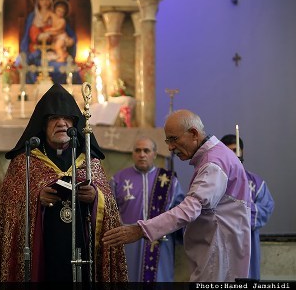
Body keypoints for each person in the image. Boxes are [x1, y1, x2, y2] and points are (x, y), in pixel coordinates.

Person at [0, 83, 128, 282]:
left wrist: (96, 197)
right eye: (54, 118)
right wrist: (35, 198)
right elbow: (7, 210)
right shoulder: (25, 162)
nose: (62, 123)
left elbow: (111, 209)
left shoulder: (89, 162)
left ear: (75, 124)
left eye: (67, 118)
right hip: (42, 251)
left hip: (83, 249)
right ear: (43, 125)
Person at [102, 109, 251, 282]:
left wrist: (141, 229)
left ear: (194, 133)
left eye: (174, 139)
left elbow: (189, 209)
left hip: (218, 254)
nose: (170, 147)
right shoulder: (214, 157)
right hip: (215, 250)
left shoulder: (213, 163)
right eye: (168, 140)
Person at [110, 136, 185, 282]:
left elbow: (181, 212)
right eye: (138, 150)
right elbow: (109, 210)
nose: (142, 154)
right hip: (129, 243)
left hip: (161, 244)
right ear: (132, 153)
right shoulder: (118, 179)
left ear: (155, 154)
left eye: (146, 150)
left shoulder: (169, 180)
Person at [220, 134, 275, 280]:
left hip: (247, 244)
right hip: (221, 243)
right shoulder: (214, 182)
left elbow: (266, 208)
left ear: (242, 152)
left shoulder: (256, 182)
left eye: (235, 150)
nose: (232, 154)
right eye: (227, 151)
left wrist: (235, 213)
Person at [19, 0, 78, 84]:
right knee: (27, 67)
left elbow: (68, 33)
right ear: (37, 1)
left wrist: (70, 40)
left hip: (53, 51)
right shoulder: (32, 17)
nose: (45, 2)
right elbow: (27, 35)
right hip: (36, 52)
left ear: (51, 0)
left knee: (63, 68)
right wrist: (38, 36)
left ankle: (60, 92)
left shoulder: (57, 16)